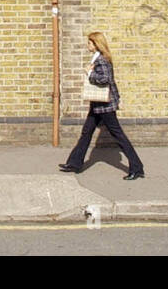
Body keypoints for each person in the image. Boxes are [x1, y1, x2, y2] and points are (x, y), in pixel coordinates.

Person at [59, 32, 145, 180]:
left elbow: (106, 78)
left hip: (105, 105)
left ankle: (137, 168)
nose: (88, 45)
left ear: (96, 44)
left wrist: (90, 73)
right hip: (97, 104)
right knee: (86, 132)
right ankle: (74, 163)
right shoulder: (97, 58)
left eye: (89, 43)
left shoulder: (102, 60)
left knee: (118, 136)